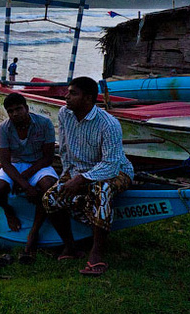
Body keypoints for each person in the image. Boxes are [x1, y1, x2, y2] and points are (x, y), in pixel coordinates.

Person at [41, 76, 133, 276]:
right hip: (78, 171)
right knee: (51, 198)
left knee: (103, 189)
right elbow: (65, 149)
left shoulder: (109, 124)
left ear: (89, 98)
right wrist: (67, 177)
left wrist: (81, 179)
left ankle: (97, 254)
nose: (67, 97)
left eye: (73, 93)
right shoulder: (65, 114)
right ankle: (71, 247)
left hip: (117, 171)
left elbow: (110, 164)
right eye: (68, 92)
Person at [0, 92, 57, 262]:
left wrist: (25, 178)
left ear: (27, 108)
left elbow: (48, 158)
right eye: (10, 111)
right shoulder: (4, 128)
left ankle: (34, 232)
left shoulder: (44, 124)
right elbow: (5, 163)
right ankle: (8, 210)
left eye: (19, 109)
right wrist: (25, 185)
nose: (15, 114)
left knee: (49, 186)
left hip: (39, 164)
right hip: (15, 164)